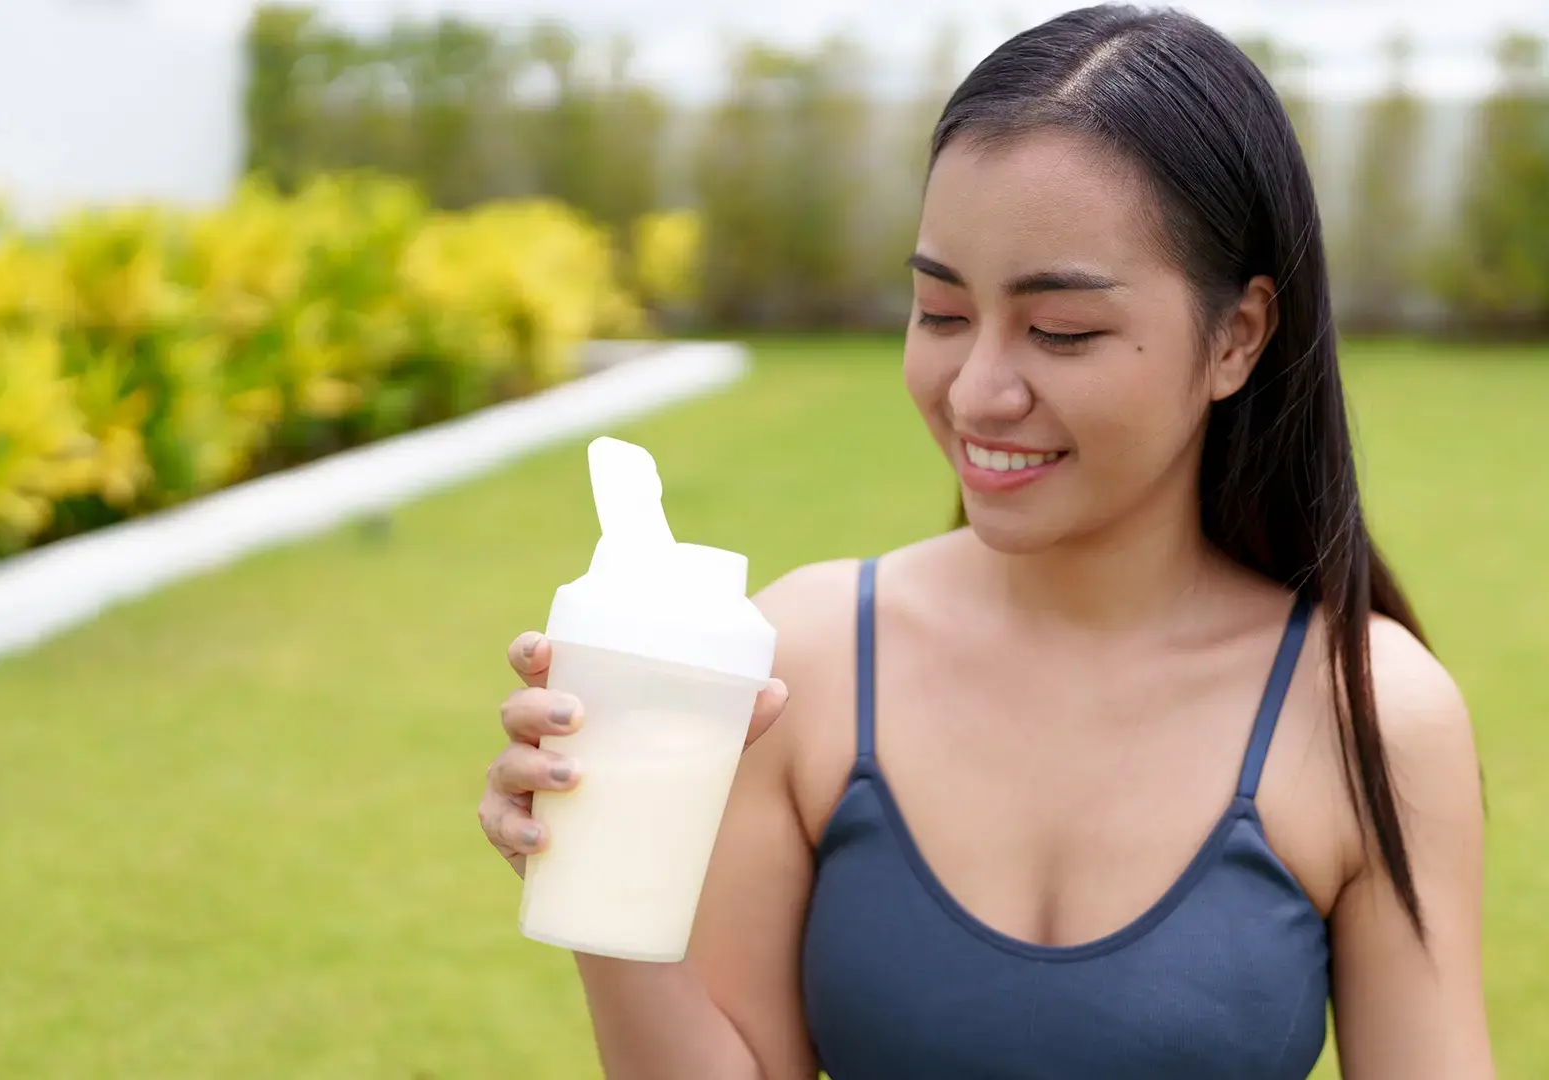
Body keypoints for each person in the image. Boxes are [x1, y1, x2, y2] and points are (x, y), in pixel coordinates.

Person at [477, 5, 1494, 1077]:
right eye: (941, 311)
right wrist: (598, 866)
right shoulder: (802, 661)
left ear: (1237, 335)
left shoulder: (1367, 713)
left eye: (1061, 331)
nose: (976, 391)